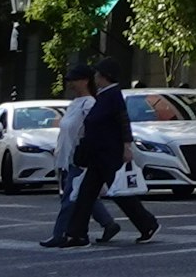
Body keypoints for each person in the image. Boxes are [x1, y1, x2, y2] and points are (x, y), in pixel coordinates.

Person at [72, 63, 158, 245]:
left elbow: (123, 121)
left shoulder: (113, 95)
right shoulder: (104, 95)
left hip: (109, 153)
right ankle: (77, 234)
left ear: (105, 76)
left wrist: (127, 146)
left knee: (120, 193)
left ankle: (148, 224)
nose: (95, 78)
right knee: (86, 194)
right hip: (98, 154)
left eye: (97, 74)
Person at [43, 64, 107, 247]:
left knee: (70, 198)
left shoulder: (89, 104)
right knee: (82, 195)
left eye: (74, 80)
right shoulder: (74, 104)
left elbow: (92, 129)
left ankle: (60, 233)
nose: (70, 84)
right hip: (67, 156)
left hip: (80, 157)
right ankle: (108, 224)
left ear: (85, 81)